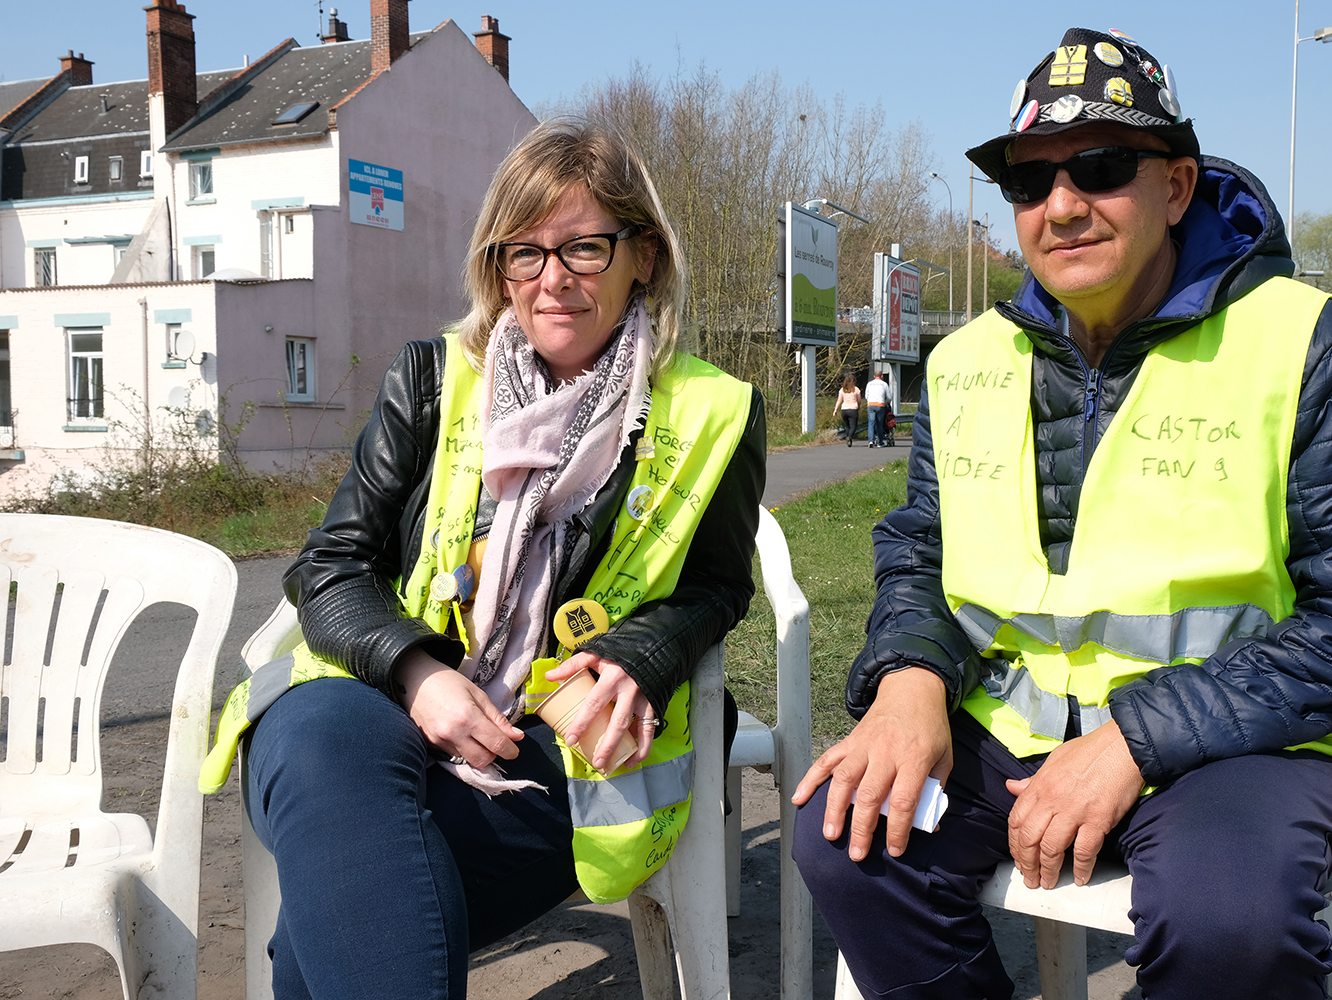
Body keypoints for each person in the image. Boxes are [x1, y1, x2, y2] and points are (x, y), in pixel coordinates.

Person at [791, 26, 1332, 1000]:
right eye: (1029, 181)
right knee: (846, 836)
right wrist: (909, 679)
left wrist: (1136, 738)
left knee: (1230, 923)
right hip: (1013, 725)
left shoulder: (1321, 347)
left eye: (1100, 168)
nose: (1062, 206)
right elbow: (921, 548)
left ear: (1177, 186)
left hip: (1237, 741)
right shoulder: (966, 360)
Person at [200, 119, 766, 1000]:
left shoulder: (714, 409)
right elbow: (331, 565)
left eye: (583, 247)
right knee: (319, 742)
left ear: (644, 256)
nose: (551, 282)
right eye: (524, 254)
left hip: (552, 740)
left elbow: (720, 586)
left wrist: (642, 655)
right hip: (381, 701)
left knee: (331, 919)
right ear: (496, 265)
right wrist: (419, 673)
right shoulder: (430, 378)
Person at [834, 373, 863, 446]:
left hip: (844, 410)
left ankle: (848, 438)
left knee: (847, 425)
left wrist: (835, 409)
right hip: (853, 409)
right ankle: (849, 437)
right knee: (853, 426)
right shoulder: (856, 389)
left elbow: (839, 400)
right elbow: (859, 400)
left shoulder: (842, 390)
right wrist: (858, 406)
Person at [865, 370, 891, 447]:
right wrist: (886, 401)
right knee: (880, 424)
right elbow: (889, 397)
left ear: (874, 376)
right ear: (882, 376)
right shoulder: (884, 384)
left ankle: (871, 441)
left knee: (871, 423)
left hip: (871, 404)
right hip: (880, 405)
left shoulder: (869, 384)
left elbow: (866, 396)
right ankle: (880, 442)